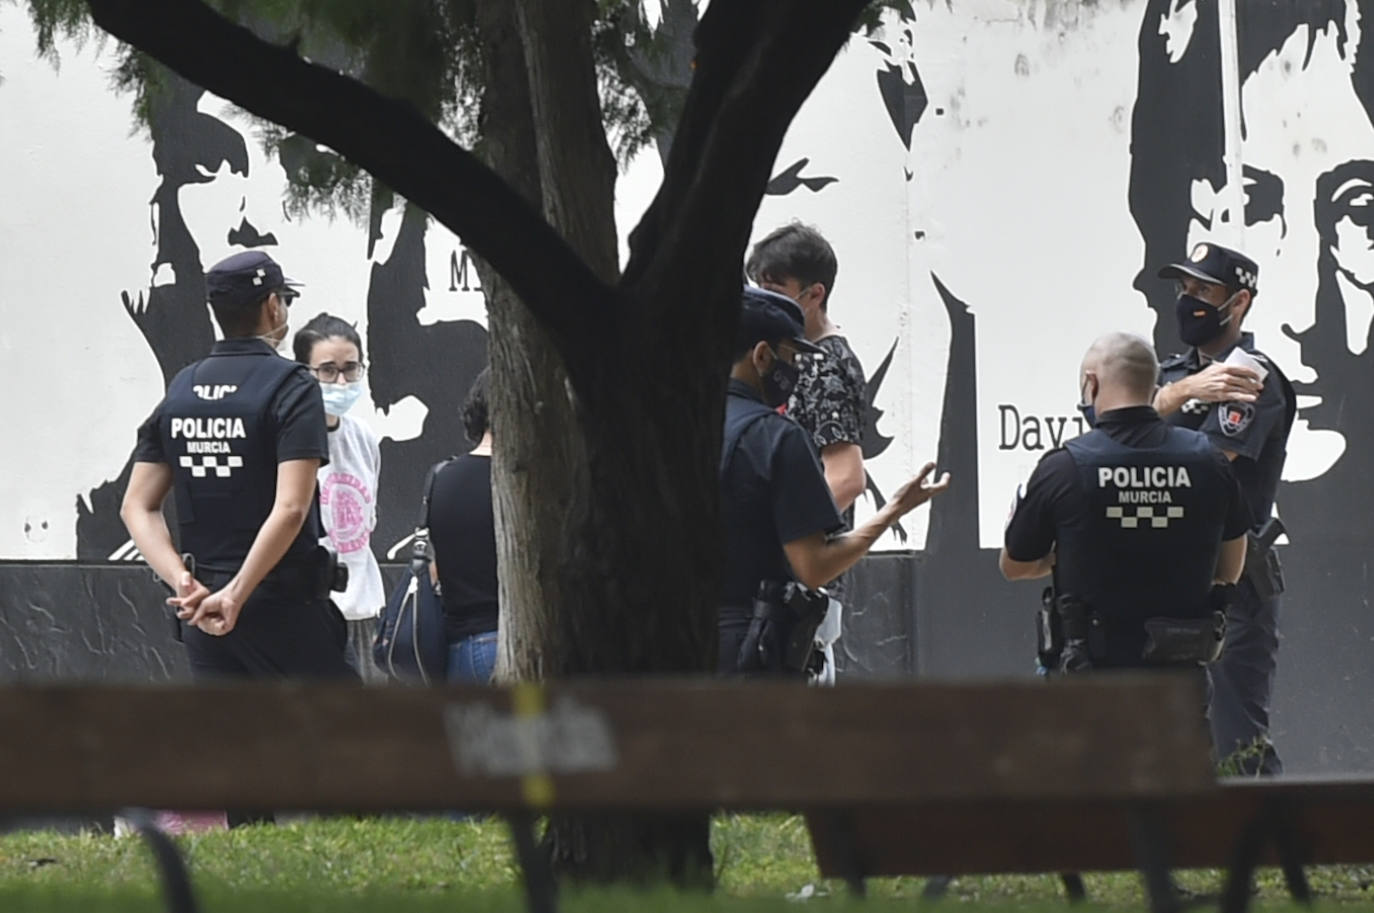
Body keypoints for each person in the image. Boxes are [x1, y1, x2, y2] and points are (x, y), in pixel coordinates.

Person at [120, 250, 355, 684]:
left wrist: (184, 584)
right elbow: (289, 509)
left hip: (204, 613)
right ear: (272, 305)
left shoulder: (183, 386)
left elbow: (136, 506)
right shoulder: (292, 385)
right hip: (282, 609)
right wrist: (237, 594)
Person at [719, 287, 949, 676]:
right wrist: (893, 510)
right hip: (750, 655)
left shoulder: (671, 431)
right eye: (789, 357)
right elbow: (814, 566)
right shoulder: (777, 438)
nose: (793, 369)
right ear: (761, 356)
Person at [1001, 332, 1251, 674]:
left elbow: (1015, 565)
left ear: (1091, 383)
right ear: (1155, 386)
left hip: (1090, 681)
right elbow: (1228, 571)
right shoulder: (1210, 461)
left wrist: (1066, 552)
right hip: (1179, 685)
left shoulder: (1064, 467)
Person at [1152, 243, 1295, 774]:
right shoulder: (1171, 375)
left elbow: (1205, 465)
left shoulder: (1250, 375)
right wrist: (1176, 396)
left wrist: (1152, 419)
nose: (1189, 301)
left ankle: (1270, 854)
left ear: (1238, 303)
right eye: (1185, 289)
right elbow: (1104, 429)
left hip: (1231, 582)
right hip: (1166, 580)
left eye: (1203, 291)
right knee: (1167, 741)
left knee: (1237, 742)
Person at [293, 314, 386, 682]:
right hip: (311, 613)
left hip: (365, 607)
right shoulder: (290, 438)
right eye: (328, 371)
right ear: (304, 373)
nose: (342, 381)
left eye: (350, 368)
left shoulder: (363, 436)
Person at [428, 368, 499, 683]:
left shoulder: (442, 477)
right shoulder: (523, 484)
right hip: (504, 642)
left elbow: (435, 569)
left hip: (457, 653)